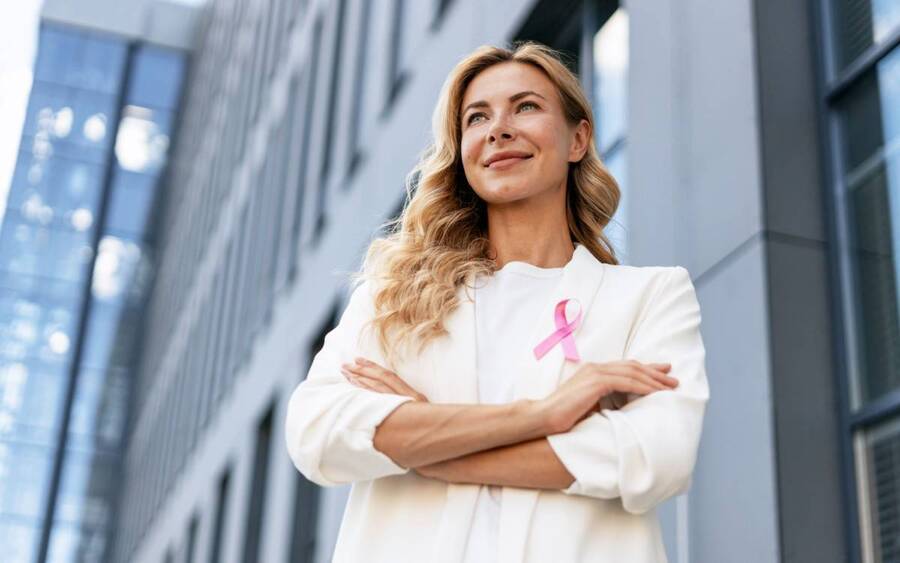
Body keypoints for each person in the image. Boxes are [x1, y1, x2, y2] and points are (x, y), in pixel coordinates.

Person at [284, 41, 709, 563]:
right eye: (477, 117)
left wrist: (426, 439)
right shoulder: (394, 295)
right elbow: (317, 432)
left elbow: (656, 456)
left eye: (526, 107)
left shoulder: (649, 297)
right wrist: (541, 416)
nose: (498, 129)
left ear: (578, 139)